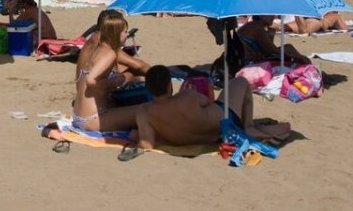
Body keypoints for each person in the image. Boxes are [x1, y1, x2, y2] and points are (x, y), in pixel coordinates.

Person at [134, 65, 291, 149]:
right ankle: (248, 126)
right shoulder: (186, 96)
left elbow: (147, 144)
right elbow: (209, 101)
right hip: (223, 125)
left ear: (148, 87)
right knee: (240, 82)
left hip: (202, 139)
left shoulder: (144, 112)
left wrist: (135, 136)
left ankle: (251, 125)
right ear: (169, 86)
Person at [72, 13, 140, 132]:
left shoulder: (96, 49)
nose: (127, 34)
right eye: (125, 31)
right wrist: (115, 82)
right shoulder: (110, 53)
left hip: (78, 117)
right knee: (145, 111)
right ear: (115, 33)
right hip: (92, 119)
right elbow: (91, 80)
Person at [77, 9, 150, 84]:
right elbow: (140, 66)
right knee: (135, 73)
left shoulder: (93, 39)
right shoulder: (104, 44)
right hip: (95, 92)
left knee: (124, 69)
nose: (127, 34)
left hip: (83, 89)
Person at [237, 15, 311, 65]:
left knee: (288, 47)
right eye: (270, 14)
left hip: (254, 59)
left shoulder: (254, 25)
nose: (273, 17)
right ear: (262, 15)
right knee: (299, 57)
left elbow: (267, 49)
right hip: (252, 63)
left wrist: (270, 33)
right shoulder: (256, 27)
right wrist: (296, 58)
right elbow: (273, 51)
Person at [284, 12, 348, 34]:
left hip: (305, 18)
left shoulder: (333, 16)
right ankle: (297, 13)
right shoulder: (335, 16)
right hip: (317, 21)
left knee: (281, 27)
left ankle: (297, 14)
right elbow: (345, 29)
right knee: (304, 31)